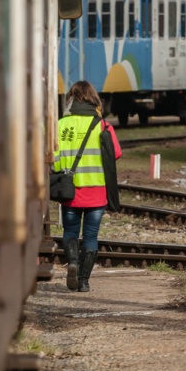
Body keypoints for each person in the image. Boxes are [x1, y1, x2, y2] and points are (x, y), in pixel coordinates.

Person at [53, 81, 122, 292]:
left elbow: (53, 156)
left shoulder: (61, 125)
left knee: (70, 231)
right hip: (97, 192)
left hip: (69, 190)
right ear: (93, 100)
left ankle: (72, 262)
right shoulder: (103, 126)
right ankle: (83, 281)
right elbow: (116, 154)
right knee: (91, 236)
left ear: (71, 100)